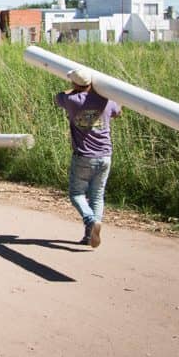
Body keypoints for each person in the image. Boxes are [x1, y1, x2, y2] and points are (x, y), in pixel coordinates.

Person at [54, 67, 122, 248]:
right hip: (105, 155)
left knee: (76, 194)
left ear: (75, 84)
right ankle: (89, 235)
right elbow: (118, 112)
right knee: (97, 196)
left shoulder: (72, 100)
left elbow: (58, 97)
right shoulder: (106, 101)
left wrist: (74, 88)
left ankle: (91, 221)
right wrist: (100, 91)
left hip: (84, 156)